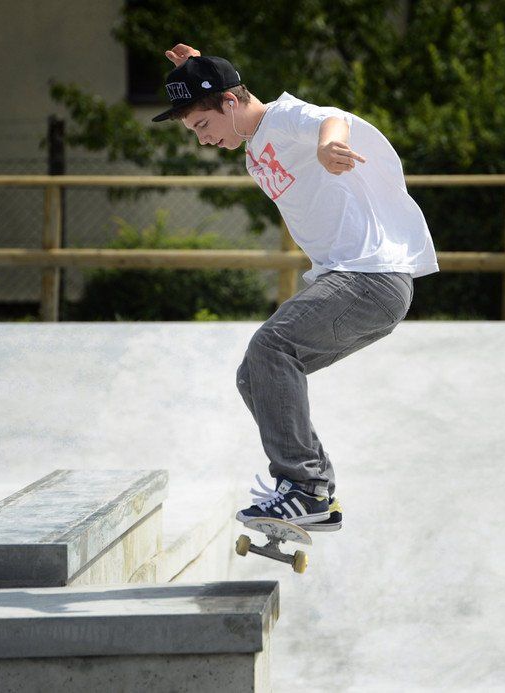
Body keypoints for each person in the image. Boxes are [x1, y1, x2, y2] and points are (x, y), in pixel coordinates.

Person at [152, 44, 438, 531]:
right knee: (255, 376)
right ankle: (315, 490)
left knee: (271, 347)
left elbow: (330, 119)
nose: (203, 140)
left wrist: (329, 146)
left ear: (229, 103)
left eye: (203, 126)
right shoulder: (253, 149)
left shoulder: (283, 118)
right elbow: (217, 90)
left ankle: (303, 487)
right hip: (354, 282)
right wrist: (194, 72)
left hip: (369, 275)